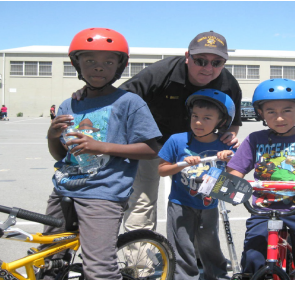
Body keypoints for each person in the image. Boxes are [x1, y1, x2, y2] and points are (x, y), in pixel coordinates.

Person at [74, 30, 242, 236]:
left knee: (198, 203)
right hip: (152, 145)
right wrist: (91, 92)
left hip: (196, 150)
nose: (208, 68)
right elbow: (120, 97)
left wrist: (229, 135)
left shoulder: (228, 83)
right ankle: (140, 263)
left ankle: (196, 259)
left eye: (216, 62)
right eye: (200, 60)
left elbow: (235, 121)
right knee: (142, 202)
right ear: (187, 57)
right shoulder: (161, 72)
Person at [43, 27, 162, 279]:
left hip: (103, 193)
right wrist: (52, 135)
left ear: (120, 67)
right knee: (50, 257)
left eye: (108, 62)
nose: (99, 67)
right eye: (90, 61)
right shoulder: (69, 104)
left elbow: (151, 149)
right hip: (63, 187)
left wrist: (102, 147)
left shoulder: (129, 102)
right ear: (77, 64)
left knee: (98, 267)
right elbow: (61, 156)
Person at [226, 78, 295, 279]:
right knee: (253, 257)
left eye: (287, 110)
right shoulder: (255, 139)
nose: (279, 118)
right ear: (261, 114)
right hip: (263, 209)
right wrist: (234, 187)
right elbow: (235, 170)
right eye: (271, 111)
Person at [158, 89, 236, 279]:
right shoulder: (177, 140)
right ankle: (184, 276)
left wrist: (229, 158)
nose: (198, 122)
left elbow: (235, 175)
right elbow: (162, 170)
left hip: (210, 203)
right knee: (181, 244)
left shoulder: (225, 144)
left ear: (221, 122)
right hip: (180, 203)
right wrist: (182, 164)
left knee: (209, 243)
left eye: (207, 118)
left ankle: (216, 274)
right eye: (195, 116)